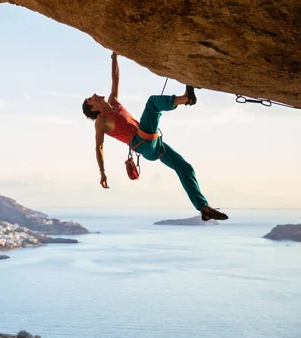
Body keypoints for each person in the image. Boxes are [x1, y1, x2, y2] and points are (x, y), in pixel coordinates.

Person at [82, 52, 228, 221]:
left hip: (155, 144)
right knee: (152, 104)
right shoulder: (101, 121)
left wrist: (114, 56)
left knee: (186, 168)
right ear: (94, 109)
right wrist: (102, 172)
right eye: (91, 99)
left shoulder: (113, 101)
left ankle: (204, 208)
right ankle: (186, 99)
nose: (94, 95)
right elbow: (99, 147)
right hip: (141, 143)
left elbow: (116, 78)